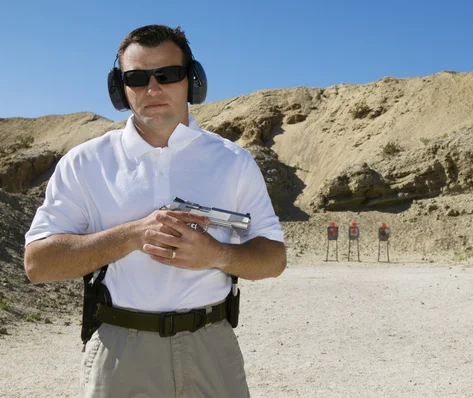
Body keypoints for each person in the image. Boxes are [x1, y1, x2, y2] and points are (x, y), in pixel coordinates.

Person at [24, 24, 286, 397]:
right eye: (136, 77)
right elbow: (38, 264)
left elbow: (274, 259)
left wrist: (218, 254)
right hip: (120, 353)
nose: (152, 88)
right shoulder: (84, 163)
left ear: (193, 81)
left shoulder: (234, 162)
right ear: (120, 88)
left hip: (211, 345)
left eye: (167, 74)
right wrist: (131, 236)